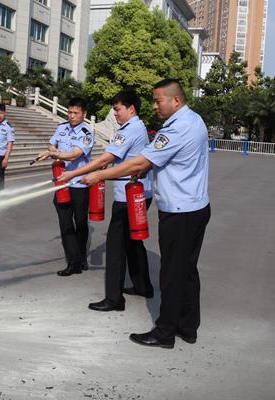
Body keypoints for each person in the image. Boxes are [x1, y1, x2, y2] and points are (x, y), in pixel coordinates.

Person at [80, 79, 210, 348]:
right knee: (187, 270)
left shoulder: (177, 128)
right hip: (196, 207)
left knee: (172, 273)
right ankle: (188, 327)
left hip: (179, 210)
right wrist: (145, 169)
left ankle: (164, 333)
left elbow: (140, 160)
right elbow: (166, 160)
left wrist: (99, 175)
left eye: (157, 100)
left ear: (175, 100)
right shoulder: (195, 119)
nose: (154, 105)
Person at [57, 89, 154, 311]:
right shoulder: (136, 127)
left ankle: (114, 299)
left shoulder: (129, 129)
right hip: (139, 194)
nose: (115, 113)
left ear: (131, 109)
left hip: (128, 197)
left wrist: (73, 174)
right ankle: (143, 286)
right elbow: (113, 159)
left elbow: (108, 157)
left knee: (115, 246)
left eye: (118, 109)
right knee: (132, 242)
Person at [37, 97, 94, 276]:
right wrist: (50, 149)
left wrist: (53, 154)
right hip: (62, 183)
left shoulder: (87, 133)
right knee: (65, 224)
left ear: (84, 114)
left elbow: (73, 155)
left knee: (81, 222)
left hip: (79, 184)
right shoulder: (62, 127)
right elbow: (52, 143)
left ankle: (81, 256)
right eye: (69, 112)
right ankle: (73, 262)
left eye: (76, 113)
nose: (71, 116)